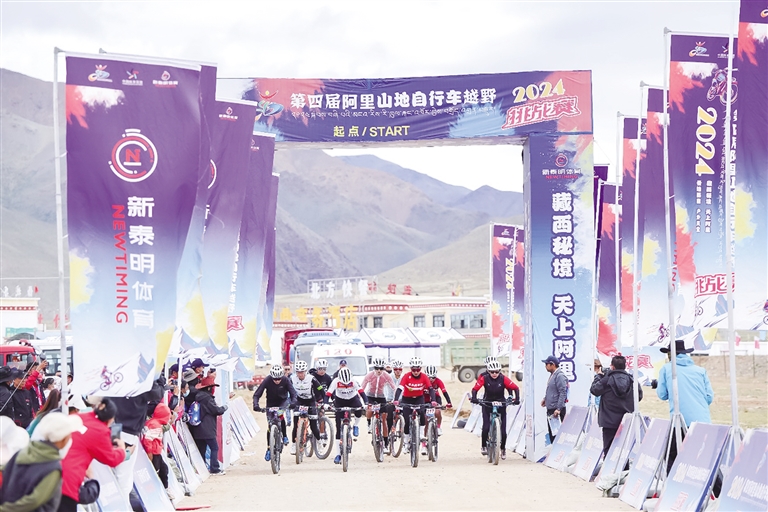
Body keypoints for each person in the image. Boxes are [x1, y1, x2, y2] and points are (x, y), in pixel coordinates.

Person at [0, 412, 84, 512]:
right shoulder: (52, 467)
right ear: (63, 439)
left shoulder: (23, 452)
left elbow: (4, 473)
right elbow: (35, 500)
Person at [59, 398, 129, 512]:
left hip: (45, 471)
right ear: (111, 419)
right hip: (67, 481)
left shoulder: (78, 417)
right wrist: (121, 449)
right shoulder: (100, 431)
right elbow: (111, 459)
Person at [654, 339, 714, 472]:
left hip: (680, 421)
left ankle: (673, 483)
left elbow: (662, 394)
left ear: (670, 354)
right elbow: (709, 397)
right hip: (703, 420)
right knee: (699, 458)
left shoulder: (667, 369)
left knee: (672, 456)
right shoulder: (700, 370)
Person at [107, 375, 164, 497]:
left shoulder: (117, 376)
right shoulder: (139, 380)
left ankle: (120, 501)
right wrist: (156, 377)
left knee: (117, 469)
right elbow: (157, 393)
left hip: (114, 426)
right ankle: (122, 503)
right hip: (127, 430)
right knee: (123, 473)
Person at [590, 355, 643, 457]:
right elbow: (639, 397)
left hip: (608, 421)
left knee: (609, 450)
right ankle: (624, 466)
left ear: (612, 366)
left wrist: (598, 376)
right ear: (625, 366)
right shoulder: (632, 380)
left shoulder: (606, 379)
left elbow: (594, 390)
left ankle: (608, 466)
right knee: (624, 450)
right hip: (626, 420)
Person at [470, 360, 519, 460]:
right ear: (488, 371)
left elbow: (515, 388)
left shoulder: (503, 378)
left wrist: (517, 399)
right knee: (486, 427)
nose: (494, 374)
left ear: (500, 371)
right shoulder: (484, 378)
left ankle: (503, 448)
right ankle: (484, 446)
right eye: (492, 372)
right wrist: (474, 398)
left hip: (501, 403)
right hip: (487, 402)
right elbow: (475, 389)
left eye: (497, 371)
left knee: (503, 431)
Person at [253, 365, 297, 462]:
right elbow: (257, 394)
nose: (277, 381)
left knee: (280, 415)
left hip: (282, 402)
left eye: (279, 379)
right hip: (271, 403)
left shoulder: (285, 380)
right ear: (271, 377)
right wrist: (256, 405)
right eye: (275, 379)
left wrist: (293, 402)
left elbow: (293, 393)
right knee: (270, 425)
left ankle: (284, 436)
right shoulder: (267, 380)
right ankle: (269, 449)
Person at [393, 357, 436, 455]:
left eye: (418, 369)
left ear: (420, 368)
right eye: (414, 370)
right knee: (406, 420)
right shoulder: (406, 376)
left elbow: (430, 389)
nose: (416, 372)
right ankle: (406, 442)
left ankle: (421, 435)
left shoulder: (424, 377)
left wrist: (433, 400)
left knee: (422, 414)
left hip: (419, 398)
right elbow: (399, 389)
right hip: (407, 399)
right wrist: (396, 400)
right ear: (411, 369)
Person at [326, 367, 367, 464]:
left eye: (347, 383)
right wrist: (325, 403)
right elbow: (328, 394)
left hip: (353, 399)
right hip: (340, 401)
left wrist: (366, 403)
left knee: (359, 410)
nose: (345, 385)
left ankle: (356, 425)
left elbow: (362, 392)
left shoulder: (353, 381)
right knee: (338, 427)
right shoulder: (335, 381)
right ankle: (338, 454)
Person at [188, 375, 227, 475]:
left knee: (201, 449)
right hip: (207, 428)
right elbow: (216, 410)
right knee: (214, 447)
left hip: (198, 428)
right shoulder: (207, 399)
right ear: (209, 388)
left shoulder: (198, 397)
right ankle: (214, 468)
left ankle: (201, 469)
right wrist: (224, 408)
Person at [288, 360, 324, 455]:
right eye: (298, 372)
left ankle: (319, 441)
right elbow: (286, 389)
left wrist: (325, 400)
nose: (300, 374)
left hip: (310, 401)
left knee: (313, 426)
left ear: (305, 371)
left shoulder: (311, 379)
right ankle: (294, 444)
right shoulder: (292, 379)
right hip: (299, 401)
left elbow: (320, 389)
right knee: (295, 424)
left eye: (302, 372)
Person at [360, 358, 396, 451]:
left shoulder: (386, 376)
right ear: (374, 368)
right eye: (376, 368)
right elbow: (362, 388)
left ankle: (386, 443)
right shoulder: (369, 375)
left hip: (381, 397)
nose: (379, 371)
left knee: (384, 419)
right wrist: (361, 400)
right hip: (370, 396)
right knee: (369, 408)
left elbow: (394, 388)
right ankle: (369, 422)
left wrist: (394, 399)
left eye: (381, 368)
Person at [141, 403, 174, 498]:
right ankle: (157, 493)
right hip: (154, 453)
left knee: (164, 469)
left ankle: (165, 489)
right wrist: (149, 453)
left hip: (156, 452)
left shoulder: (154, 423)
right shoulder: (154, 425)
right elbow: (148, 440)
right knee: (156, 472)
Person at [540, 355, 568, 442]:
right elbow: (552, 390)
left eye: (546, 364)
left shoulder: (559, 376)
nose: (545, 366)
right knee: (552, 435)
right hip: (551, 409)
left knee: (558, 437)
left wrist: (558, 409)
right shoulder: (553, 375)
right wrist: (545, 399)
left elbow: (563, 392)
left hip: (556, 410)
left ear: (552, 364)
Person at [423, 365, 452, 436]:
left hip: (436, 398)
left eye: (433, 377)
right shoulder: (423, 381)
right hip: (425, 399)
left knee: (437, 412)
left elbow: (444, 392)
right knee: (425, 419)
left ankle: (438, 427)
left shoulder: (438, 381)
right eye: (429, 377)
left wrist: (449, 402)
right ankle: (424, 437)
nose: (431, 379)